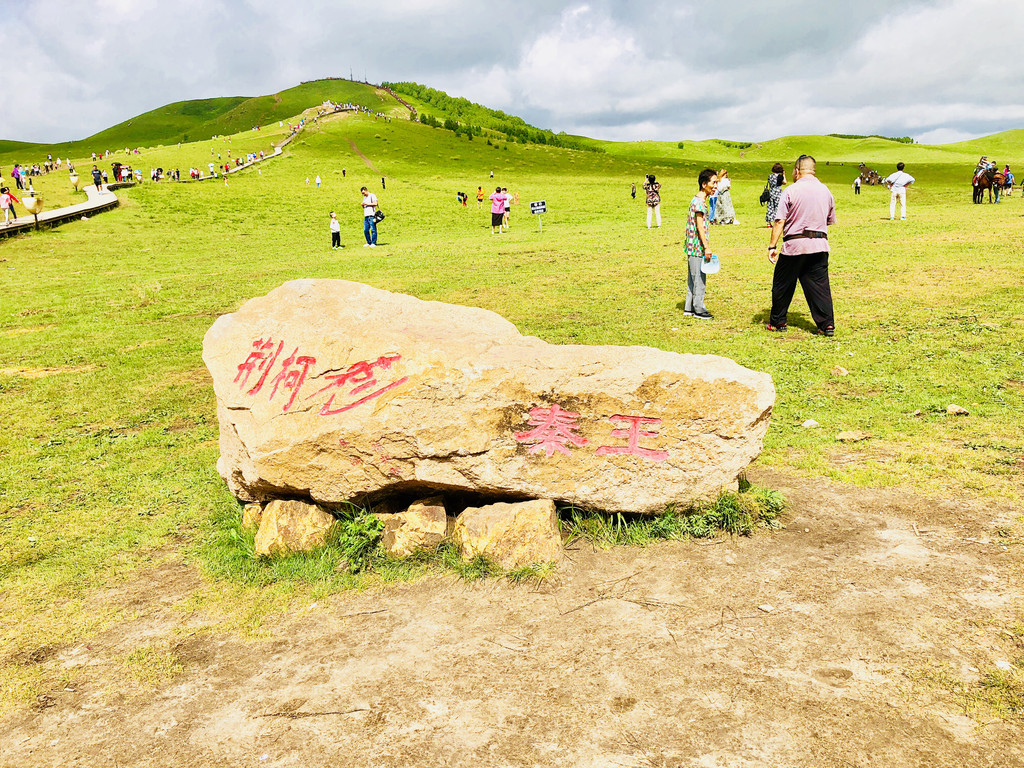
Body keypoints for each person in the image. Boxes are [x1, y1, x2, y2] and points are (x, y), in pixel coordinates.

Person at [766, 155, 837, 336]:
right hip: (820, 246)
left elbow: (780, 220)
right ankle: (826, 325)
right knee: (820, 287)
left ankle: (778, 322)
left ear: (797, 170)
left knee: (782, 284)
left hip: (794, 246)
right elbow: (829, 220)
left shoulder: (790, 191)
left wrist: (772, 246)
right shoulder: (826, 191)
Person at [683, 169, 719, 319]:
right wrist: (707, 247)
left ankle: (689, 308)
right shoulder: (699, 202)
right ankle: (699, 309)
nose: (716, 186)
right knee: (699, 278)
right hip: (697, 247)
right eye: (713, 183)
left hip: (692, 246)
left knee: (693, 277)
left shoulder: (698, 200)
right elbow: (699, 226)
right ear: (704, 184)